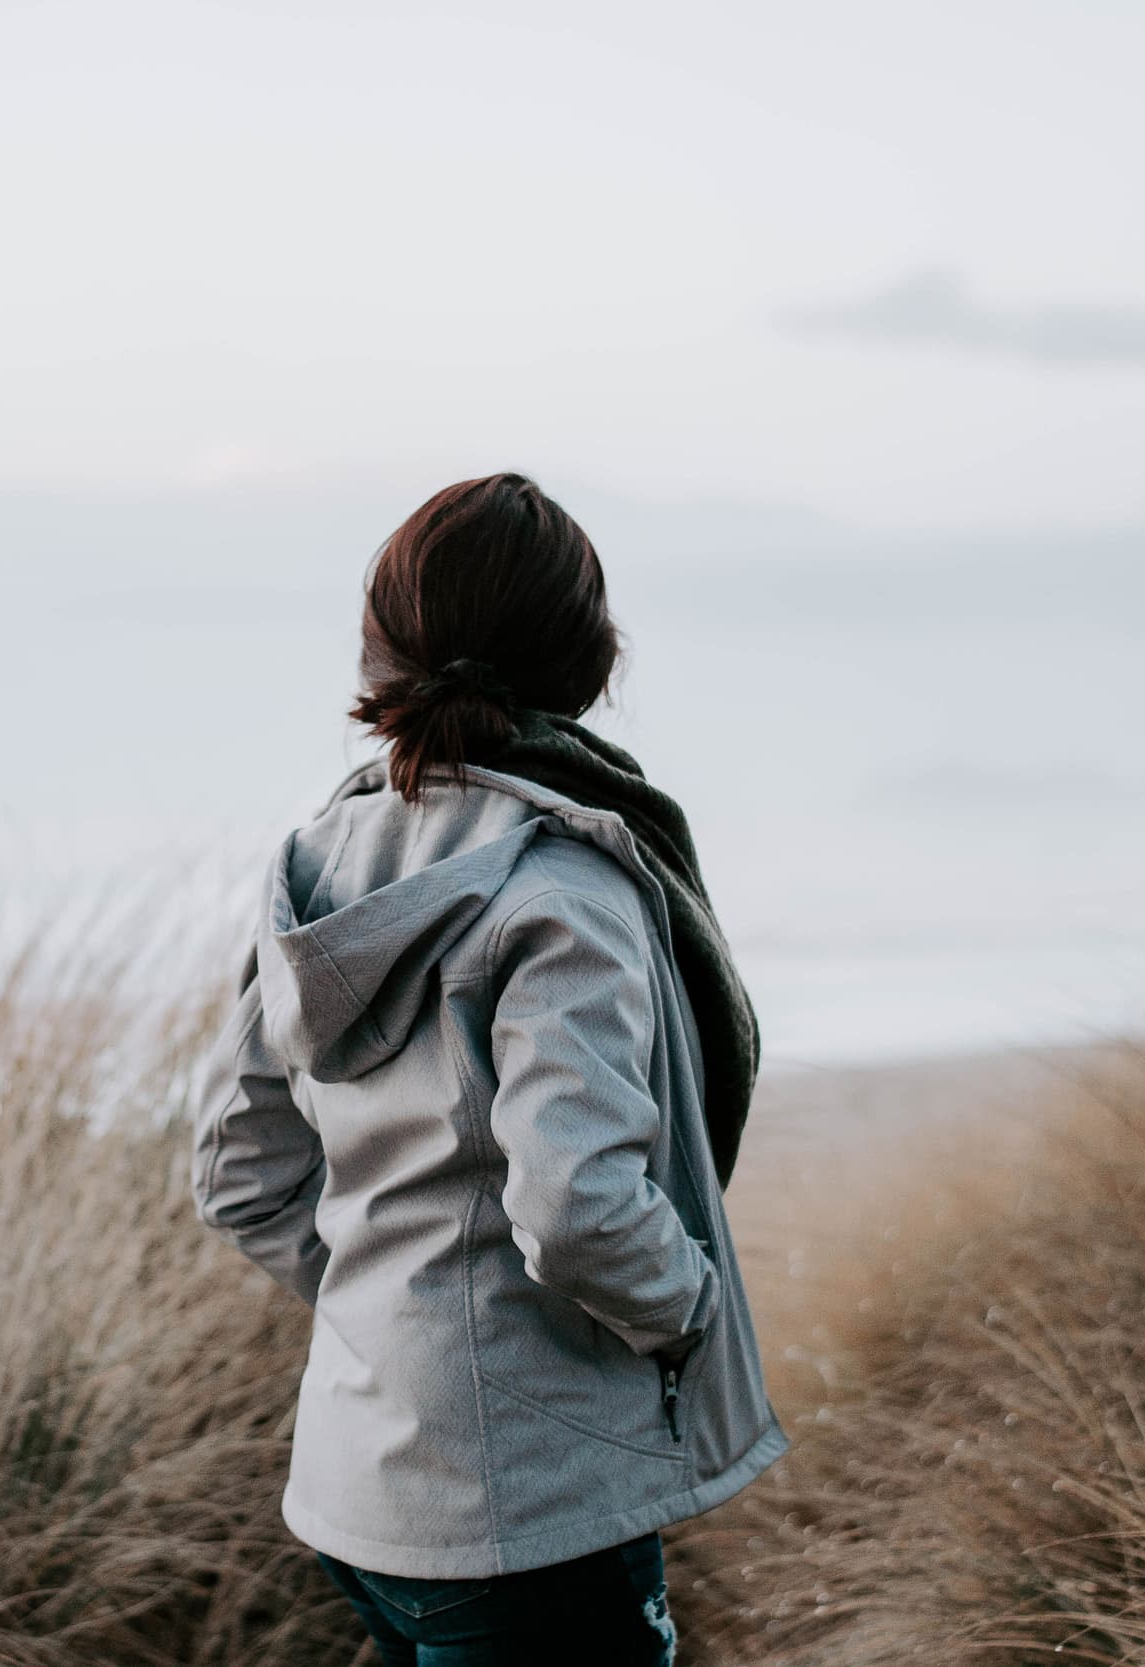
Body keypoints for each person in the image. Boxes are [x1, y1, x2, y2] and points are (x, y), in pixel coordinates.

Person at [191, 473, 783, 1665]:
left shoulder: (315, 865)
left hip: (359, 1493)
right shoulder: (568, 890)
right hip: (527, 1511)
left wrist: (390, 1308)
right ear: (586, 657)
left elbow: (235, 1167)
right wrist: (690, 1313)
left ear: (381, 655)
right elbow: (575, 1207)